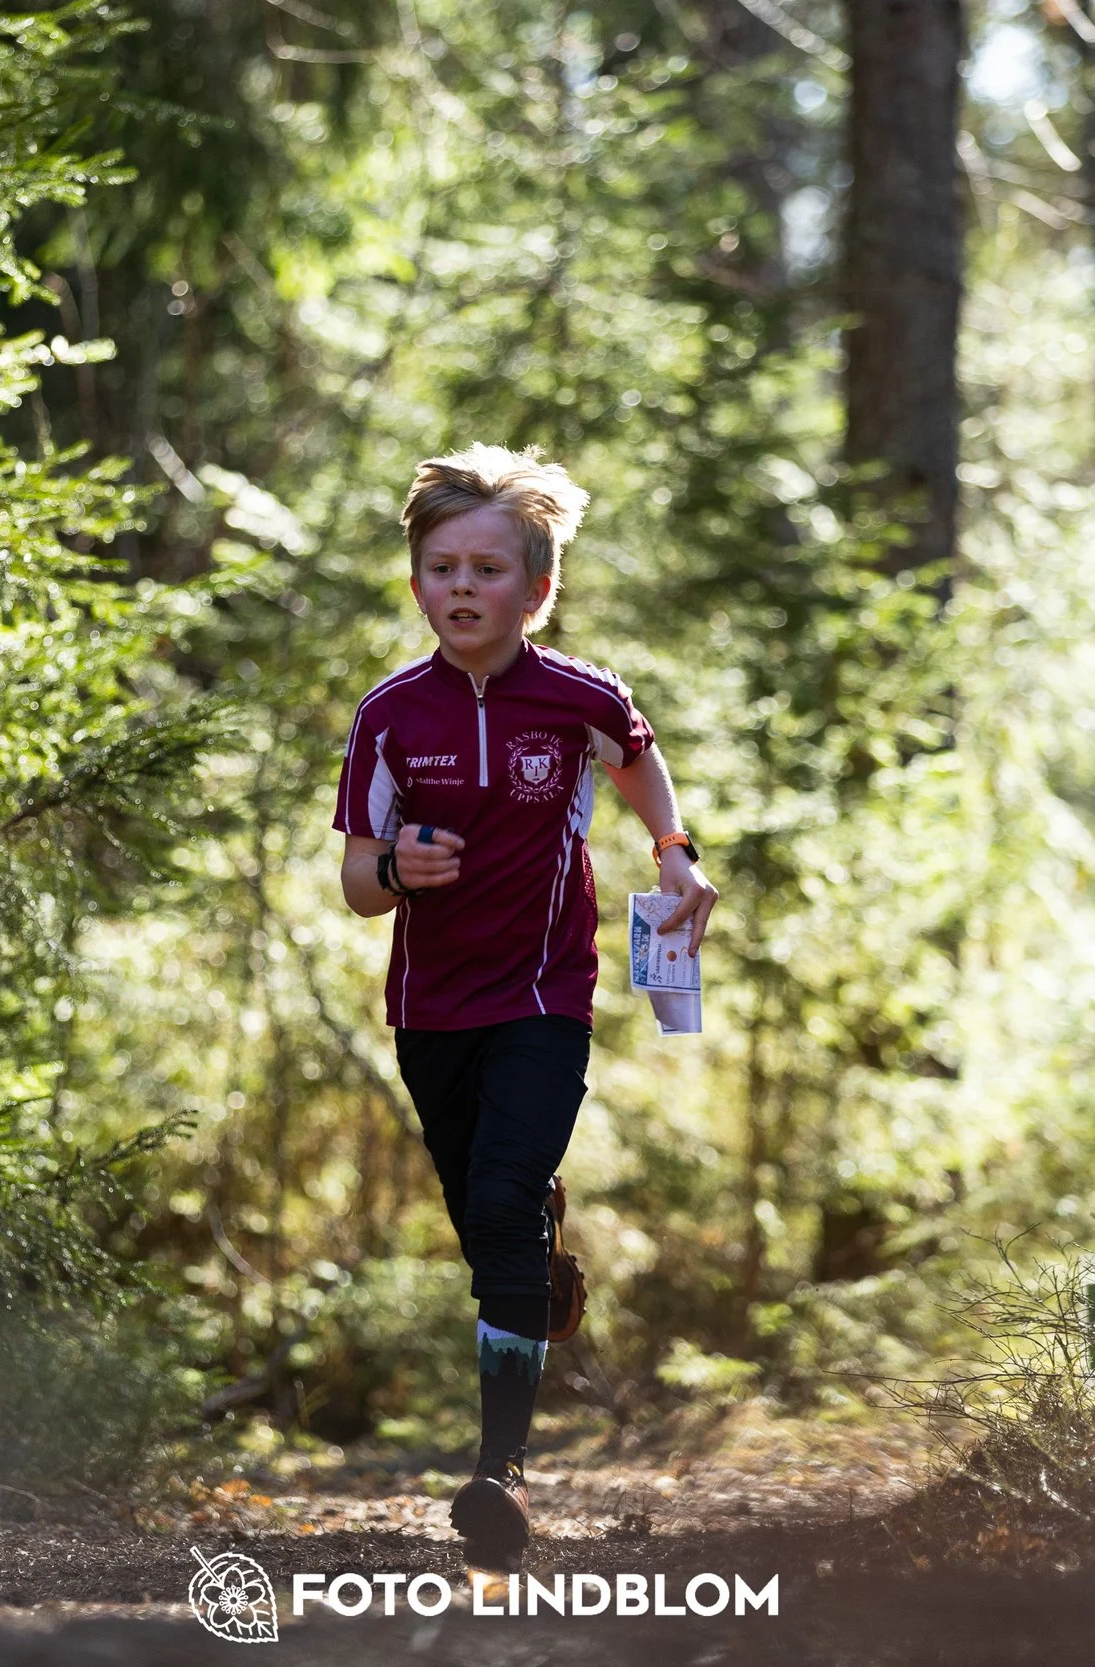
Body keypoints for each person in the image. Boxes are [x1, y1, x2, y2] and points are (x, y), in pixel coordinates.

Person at [332, 444, 719, 1566]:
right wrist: (402, 869)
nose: (462, 585)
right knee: (484, 1218)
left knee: (496, 1200)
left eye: (488, 568)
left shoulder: (580, 695)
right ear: (415, 585)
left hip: (547, 994)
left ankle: (498, 1475)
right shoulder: (390, 716)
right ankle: (531, 1246)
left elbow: (639, 763)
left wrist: (676, 854)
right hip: (430, 1006)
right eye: (441, 566)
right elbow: (358, 885)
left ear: (535, 588)